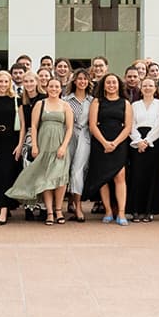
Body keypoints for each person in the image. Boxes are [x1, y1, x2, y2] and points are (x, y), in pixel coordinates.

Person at [8, 76, 76, 223]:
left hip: (60, 145)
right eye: (51, 86)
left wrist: (64, 146)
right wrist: (35, 146)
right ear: (46, 88)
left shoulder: (65, 106)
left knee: (60, 179)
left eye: (57, 87)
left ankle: (59, 211)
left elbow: (70, 128)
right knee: (45, 179)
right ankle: (50, 213)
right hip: (43, 145)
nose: (54, 89)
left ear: (60, 89)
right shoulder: (41, 104)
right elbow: (33, 126)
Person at [0, 70, 28, 225]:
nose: (3, 85)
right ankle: (1, 206)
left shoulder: (16, 100)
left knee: (7, 175)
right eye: (0, 81)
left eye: (6, 82)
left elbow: (23, 125)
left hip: (11, 142)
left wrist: (20, 145)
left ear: (10, 83)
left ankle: (3, 209)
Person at [86, 73, 130, 226]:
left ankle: (122, 212)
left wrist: (115, 143)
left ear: (119, 85)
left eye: (114, 82)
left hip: (119, 143)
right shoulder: (97, 102)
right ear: (103, 85)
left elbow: (128, 127)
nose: (111, 85)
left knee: (120, 177)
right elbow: (92, 126)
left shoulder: (125, 103)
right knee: (103, 178)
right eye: (108, 82)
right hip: (100, 143)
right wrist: (104, 143)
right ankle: (108, 211)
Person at [125, 75, 159, 223]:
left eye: (150, 85)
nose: (147, 88)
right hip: (136, 143)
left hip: (153, 143)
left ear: (155, 89)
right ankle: (135, 209)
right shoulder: (134, 105)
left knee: (152, 177)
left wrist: (147, 141)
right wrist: (139, 141)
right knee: (136, 176)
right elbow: (131, 124)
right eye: (145, 86)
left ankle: (149, 210)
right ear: (140, 89)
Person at [63, 68, 95, 222]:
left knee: (78, 170)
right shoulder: (66, 100)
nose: (82, 81)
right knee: (66, 169)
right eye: (79, 78)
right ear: (74, 81)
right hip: (68, 136)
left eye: (85, 79)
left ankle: (78, 206)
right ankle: (65, 204)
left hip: (85, 136)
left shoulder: (92, 101)